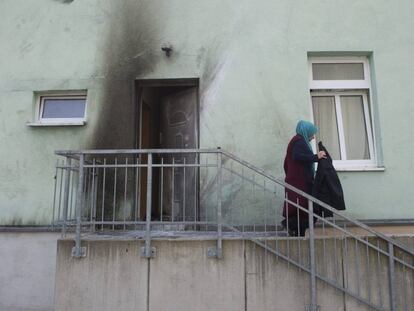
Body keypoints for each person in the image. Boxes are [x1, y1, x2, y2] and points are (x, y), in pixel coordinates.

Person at [282, 120, 326, 236]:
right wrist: (317, 157)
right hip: (299, 182)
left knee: (301, 209)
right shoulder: (299, 141)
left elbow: (286, 162)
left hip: (297, 180)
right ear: (306, 131)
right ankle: (290, 225)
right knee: (303, 207)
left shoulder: (296, 141)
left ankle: (296, 232)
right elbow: (298, 156)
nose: (312, 137)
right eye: (311, 134)